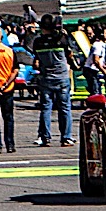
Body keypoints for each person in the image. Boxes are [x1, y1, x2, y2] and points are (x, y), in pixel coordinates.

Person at [30, 14, 74, 147]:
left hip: (46, 78)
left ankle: (45, 137)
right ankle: (66, 137)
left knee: (45, 108)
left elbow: (36, 61)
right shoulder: (61, 39)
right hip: (61, 77)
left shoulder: (38, 42)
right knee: (65, 108)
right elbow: (69, 54)